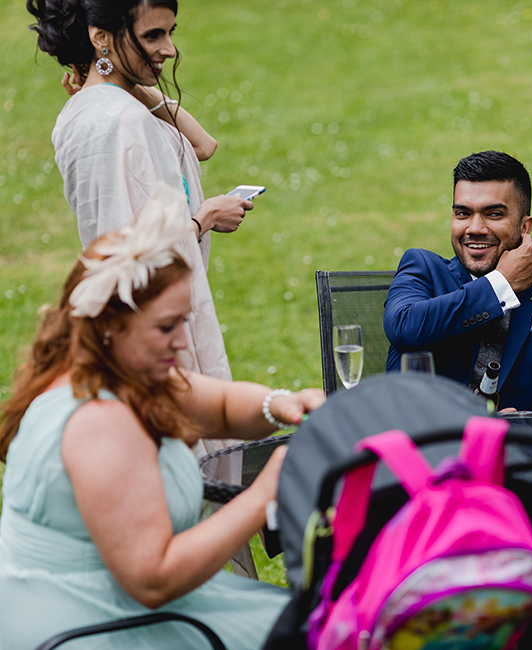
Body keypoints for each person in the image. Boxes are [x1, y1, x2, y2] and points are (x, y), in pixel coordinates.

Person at [0, 184, 325, 649]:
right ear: (111, 324)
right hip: (94, 625)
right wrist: (264, 495)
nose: (180, 341)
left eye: (184, 321)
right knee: (328, 631)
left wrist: (280, 404)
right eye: (166, 326)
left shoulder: (115, 373)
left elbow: (220, 405)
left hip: (123, 603)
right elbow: (152, 579)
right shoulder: (99, 423)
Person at [27, 0, 251, 384]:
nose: (170, 49)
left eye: (170, 32)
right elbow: (130, 257)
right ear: (100, 37)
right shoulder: (116, 124)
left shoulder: (116, 108)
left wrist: (125, 81)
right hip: (147, 325)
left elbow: (202, 146)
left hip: (162, 313)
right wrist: (204, 219)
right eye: (153, 35)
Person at [383, 150, 532, 412]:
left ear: (524, 227)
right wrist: (501, 284)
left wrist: (516, 433)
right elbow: (405, 328)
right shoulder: (423, 269)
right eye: (462, 213)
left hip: (514, 451)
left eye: (493, 214)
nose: (474, 228)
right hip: (417, 447)